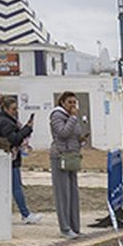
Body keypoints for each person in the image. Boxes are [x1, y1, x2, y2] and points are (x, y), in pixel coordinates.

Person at [0, 97, 41, 225]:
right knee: (16, 187)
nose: (15, 111)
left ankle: (18, 213)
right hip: (10, 160)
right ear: (5, 109)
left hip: (4, 159)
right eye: (13, 109)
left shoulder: (1, 120)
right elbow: (14, 139)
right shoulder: (6, 123)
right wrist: (27, 129)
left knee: (10, 187)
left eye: (16, 109)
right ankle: (25, 214)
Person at [48, 92, 88, 238]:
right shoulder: (57, 116)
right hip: (60, 156)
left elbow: (73, 134)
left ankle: (75, 227)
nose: (73, 105)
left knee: (73, 193)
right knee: (63, 194)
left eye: (74, 102)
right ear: (62, 103)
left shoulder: (73, 118)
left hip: (72, 156)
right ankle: (65, 228)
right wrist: (72, 118)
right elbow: (62, 133)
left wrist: (81, 140)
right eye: (70, 102)